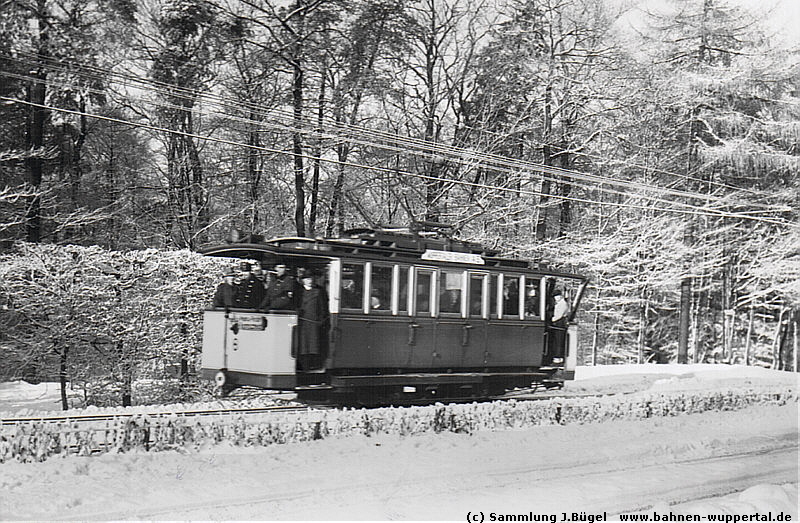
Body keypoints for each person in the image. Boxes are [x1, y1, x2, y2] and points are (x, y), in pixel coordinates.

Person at [296, 269, 329, 372]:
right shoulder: (299, 292)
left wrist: (321, 320)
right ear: (303, 280)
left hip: (313, 322)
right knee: (302, 345)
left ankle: (311, 366)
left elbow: (323, 308)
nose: (309, 280)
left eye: (311, 278)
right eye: (307, 279)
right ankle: (302, 366)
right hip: (302, 322)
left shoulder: (318, 292)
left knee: (312, 345)